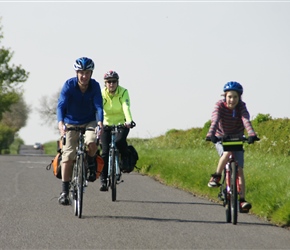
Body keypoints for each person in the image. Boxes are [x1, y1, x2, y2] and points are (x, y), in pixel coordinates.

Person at [206, 81, 259, 213]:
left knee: (240, 169)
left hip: (236, 137)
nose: (232, 100)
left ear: (239, 97)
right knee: (227, 152)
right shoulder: (219, 106)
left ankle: (242, 200)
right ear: (225, 96)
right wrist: (210, 134)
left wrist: (251, 134)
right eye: (230, 97)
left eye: (235, 97)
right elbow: (215, 120)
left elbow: (246, 119)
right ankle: (216, 176)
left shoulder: (241, 106)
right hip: (220, 137)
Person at [57, 57, 103, 205]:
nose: (84, 76)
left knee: (92, 142)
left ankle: (90, 162)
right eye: (81, 72)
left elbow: (99, 106)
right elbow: (61, 105)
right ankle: (64, 192)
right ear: (77, 73)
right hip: (71, 122)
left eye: (87, 72)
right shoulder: (69, 85)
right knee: (68, 155)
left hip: (89, 121)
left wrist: (100, 123)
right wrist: (60, 123)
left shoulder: (94, 86)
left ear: (91, 73)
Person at [100, 70, 134, 191]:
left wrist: (128, 121)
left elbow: (126, 106)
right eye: (108, 82)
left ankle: (124, 159)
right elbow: (99, 109)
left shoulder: (123, 92)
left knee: (120, 142)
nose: (111, 84)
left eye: (114, 81)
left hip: (122, 123)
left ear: (117, 82)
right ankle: (103, 180)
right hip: (106, 124)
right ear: (105, 83)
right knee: (104, 151)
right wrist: (99, 123)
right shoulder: (102, 94)